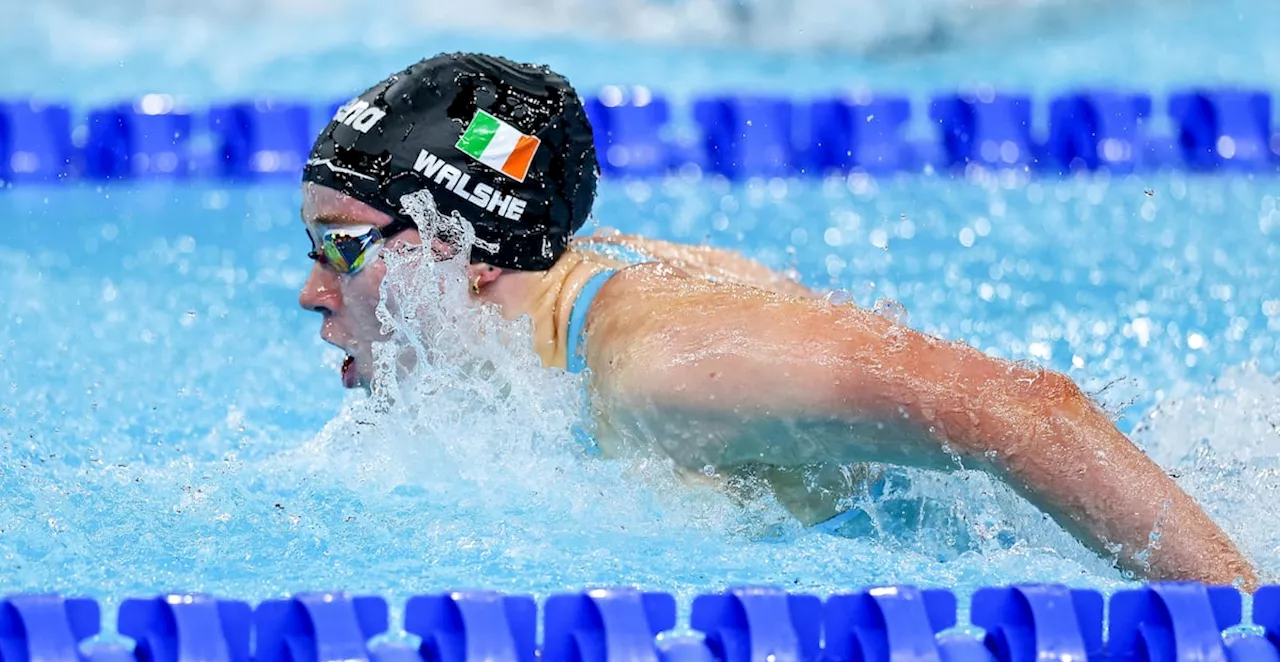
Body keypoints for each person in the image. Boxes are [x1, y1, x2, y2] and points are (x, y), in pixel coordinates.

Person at [297, 52, 1257, 588]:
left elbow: (1027, 409)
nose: (311, 290)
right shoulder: (564, 298)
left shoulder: (662, 364)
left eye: (339, 245)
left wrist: (1243, 622)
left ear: (462, 253)